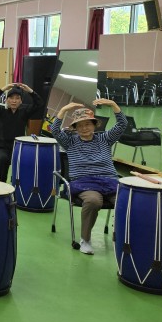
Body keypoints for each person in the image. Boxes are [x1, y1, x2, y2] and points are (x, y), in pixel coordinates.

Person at [51, 100, 127, 255]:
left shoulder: (105, 139)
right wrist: (64, 109)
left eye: (87, 124)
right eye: (79, 125)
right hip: (83, 182)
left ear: (94, 125)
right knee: (93, 200)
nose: (84, 128)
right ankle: (85, 240)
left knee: (126, 201)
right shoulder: (70, 141)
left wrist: (113, 105)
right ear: (75, 128)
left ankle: (123, 237)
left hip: (109, 180)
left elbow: (122, 125)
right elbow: (55, 130)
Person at [0, 82, 43, 182]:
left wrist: (29, 90)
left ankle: (17, 183)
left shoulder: (25, 112)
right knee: (3, 159)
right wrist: (3, 89)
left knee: (26, 161)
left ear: (21, 101)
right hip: (2, 147)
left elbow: (39, 103)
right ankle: (2, 182)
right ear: (7, 100)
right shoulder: (1, 112)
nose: (14, 101)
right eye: (11, 98)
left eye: (17, 98)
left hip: (18, 146)